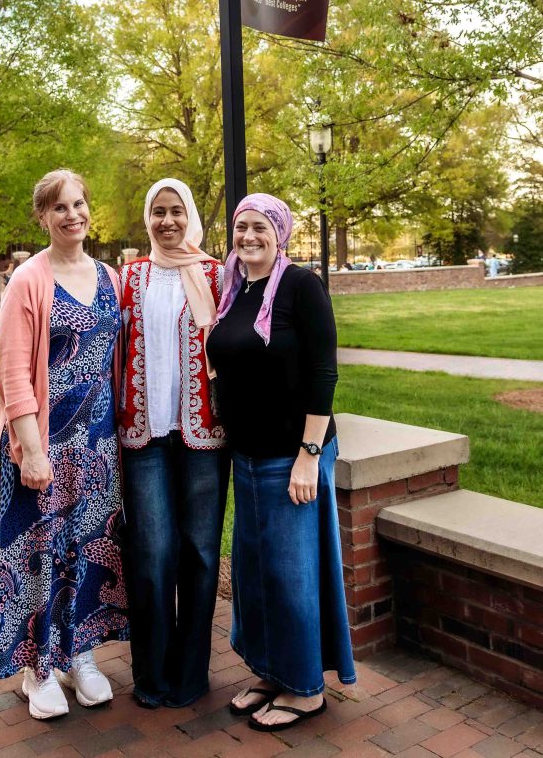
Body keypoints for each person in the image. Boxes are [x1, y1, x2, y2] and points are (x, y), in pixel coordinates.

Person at [0, 169, 128, 720]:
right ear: (42, 216)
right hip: (40, 445)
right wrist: (31, 447)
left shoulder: (110, 276)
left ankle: (79, 654)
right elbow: (12, 369)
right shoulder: (28, 279)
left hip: (96, 449)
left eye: (80, 204)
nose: (73, 215)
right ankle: (36, 670)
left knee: (87, 549)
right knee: (37, 557)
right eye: (59, 207)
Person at [207, 194, 355, 733]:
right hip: (246, 454)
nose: (248, 236)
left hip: (293, 454)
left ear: (281, 233)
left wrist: (309, 457)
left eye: (260, 228)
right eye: (241, 227)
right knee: (255, 573)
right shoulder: (234, 287)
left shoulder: (301, 286)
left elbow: (323, 374)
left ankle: (305, 688)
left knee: (292, 575)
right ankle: (271, 670)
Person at [119, 178, 229, 710]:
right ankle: (152, 674)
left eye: (176, 211)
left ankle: (191, 674)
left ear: (190, 216)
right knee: (153, 554)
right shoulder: (131, 277)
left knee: (201, 555)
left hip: (204, 436)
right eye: (158, 212)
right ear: (148, 218)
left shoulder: (216, 275)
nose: (167, 221)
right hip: (144, 437)